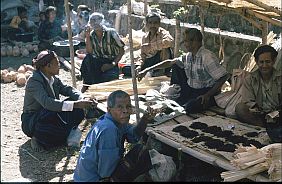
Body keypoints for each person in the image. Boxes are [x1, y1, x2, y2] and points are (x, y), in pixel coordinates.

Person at [137, 28, 230, 114]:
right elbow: (170, 62)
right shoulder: (188, 56)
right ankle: (184, 95)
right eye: (185, 41)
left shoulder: (207, 57)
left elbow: (223, 77)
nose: (185, 44)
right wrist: (147, 69)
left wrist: (208, 95)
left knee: (190, 107)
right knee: (176, 66)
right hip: (191, 89)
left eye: (188, 41)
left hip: (206, 92)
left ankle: (207, 101)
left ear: (196, 42)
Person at [21, 50, 98, 152]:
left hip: (50, 114)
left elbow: (68, 89)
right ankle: (38, 138)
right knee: (56, 111)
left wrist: (82, 98)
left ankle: (62, 134)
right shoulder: (34, 81)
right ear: (48, 66)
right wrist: (76, 104)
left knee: (77, 109)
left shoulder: (53, 78)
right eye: (57, 63)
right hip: (34, 121)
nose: (59, 66)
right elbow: (47, 103)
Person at [73, 90, 157, 181]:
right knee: (140, 156)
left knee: (139, 151)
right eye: (119, 107)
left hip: (88, 177)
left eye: (128, 107)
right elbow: (105, 172)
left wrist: (144, 120)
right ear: (109, 110)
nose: (125, 111)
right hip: (94, 179)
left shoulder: (117, 121)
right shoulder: (108, 129)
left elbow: (133, 138)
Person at [235, 45, 281, 129]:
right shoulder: (250, 79)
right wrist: (255, 108)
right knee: (240, 108)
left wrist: (276, 113)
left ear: (274, 61)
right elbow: (247, 100)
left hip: (278, 114)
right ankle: (263, 127)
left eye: (267, 62)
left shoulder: (280, 78)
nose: (264, 65)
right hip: (260, 114)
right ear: (256, 61)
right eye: (261, 62)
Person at [80, 12, 125, 93]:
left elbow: (122, 50)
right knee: (88, 59)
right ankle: (86, 84)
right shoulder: (91, 35)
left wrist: (112, 64)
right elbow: (89, 52)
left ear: (102, 21)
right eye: (91, 21)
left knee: (109, 81)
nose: (94, 23)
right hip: (98, 62)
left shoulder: (111, 33)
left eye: (96, 20)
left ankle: (94, 85)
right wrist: (87, 36)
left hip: (111, 61)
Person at [136, 12, 174, 78]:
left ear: (159, 23)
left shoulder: (163, 33)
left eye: (155, 23)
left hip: (161, 61)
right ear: (147, 24)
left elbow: (169, 41)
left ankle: (163, 71)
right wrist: (139, 65)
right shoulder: (145, 37)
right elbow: (143, 55)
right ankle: (150, 71)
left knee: (166, 48)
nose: (152, 25)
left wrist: (151, 46)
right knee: (130, 69)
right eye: (150, 23)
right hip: (151, 62)